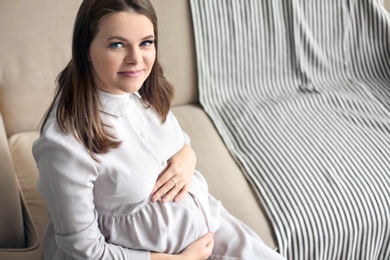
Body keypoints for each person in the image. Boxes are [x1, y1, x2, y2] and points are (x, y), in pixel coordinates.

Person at [32, 0, 286, 259]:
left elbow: (172, 143)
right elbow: (84, 250)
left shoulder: (144, 91)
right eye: (117, 44)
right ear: (86, 48)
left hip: (210, 223)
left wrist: (187, 156)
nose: (136, 59)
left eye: (146, 42)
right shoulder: (64, 144)